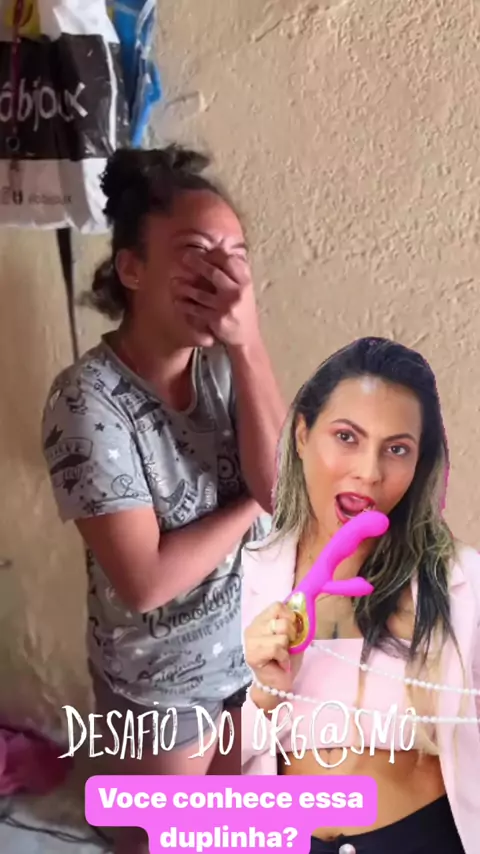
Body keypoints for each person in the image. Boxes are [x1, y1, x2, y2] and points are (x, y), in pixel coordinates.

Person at [42, 145, 285, 853]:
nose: (223, 277)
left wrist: (250, 346)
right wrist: (251, 507)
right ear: (132, 269)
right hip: (160, 686)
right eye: (197, 252)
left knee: (237, 835)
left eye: (236, 256)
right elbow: (145, 580)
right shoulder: (87, 400)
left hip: (245, 657)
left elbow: (284, 489)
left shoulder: (224, 370)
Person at [242, 337, 480, 854]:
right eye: (347, 437)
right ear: (302, 434)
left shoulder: (460, 581)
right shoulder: (250, 571)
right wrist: (263, 694)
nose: (370, 472)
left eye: (397, 449)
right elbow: (206, 760)